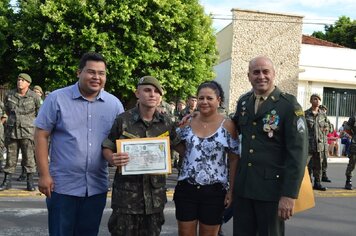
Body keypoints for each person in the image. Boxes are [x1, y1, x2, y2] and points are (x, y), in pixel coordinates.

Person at [34, 52, 124, 236]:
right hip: (62, 187)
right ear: (79, 72)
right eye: (91, 72)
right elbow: (41, 136)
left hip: (96, 187)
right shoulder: (57, 99)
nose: (96, 77)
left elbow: (121, 141)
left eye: (101, 73)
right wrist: (44, 175)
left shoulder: (114, 105)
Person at [232, 56, 308, 236]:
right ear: (248, 76)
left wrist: (289, 195)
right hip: (244, 188)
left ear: (273, 74)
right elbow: (232, 129)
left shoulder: (288, 105)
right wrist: (200, 120)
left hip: (272, 191)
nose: (261, 76)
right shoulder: (244, 102)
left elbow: (297, 153)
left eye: (265, 72)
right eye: (256, 72)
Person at [102, 76, 184, 236]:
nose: (152, 94)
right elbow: (107, 146)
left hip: (154, 200)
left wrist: (195, 123)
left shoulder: (166, 122)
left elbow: (182, 148)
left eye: (156, 91)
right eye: (147, 90)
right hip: (126, 199)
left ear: (160, 97)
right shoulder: (123, 120)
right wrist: (112, 158)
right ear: (137, 93)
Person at [173, 81, 239, 236]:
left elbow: (234, 159)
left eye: (209, 98)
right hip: (186, 188)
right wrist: (191, 156)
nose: (204, 102)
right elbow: (174, 142)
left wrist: (231, 191)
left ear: (219, 100)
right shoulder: (187, 122)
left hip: (214, 192)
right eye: (201, 98)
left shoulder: (228, 125)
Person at [0, 73, 41, 191]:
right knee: (10, 157)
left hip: (27, 131)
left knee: (29, 157)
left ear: (28, 83)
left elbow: (40, 114)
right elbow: (7, 110)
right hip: (12, 131)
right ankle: (6, 182)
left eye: (23, 80)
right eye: (18, 79)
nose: (20, 82)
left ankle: (30, 182)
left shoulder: (34, 97)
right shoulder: (9, 95)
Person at [305, 94, 330, 190]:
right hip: (308, 145)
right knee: (306, 165)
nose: (317, 101)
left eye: (319, 99)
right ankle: (307, 183)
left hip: (319, 145)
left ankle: (317, 183)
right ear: (311, 101)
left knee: (318, 165)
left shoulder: (323, 115)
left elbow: (328, 127)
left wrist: (326, 129)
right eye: (315, 99)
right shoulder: (305, 114)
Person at [319, 104, 332, 182]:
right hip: (317, 142)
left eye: (324, 110)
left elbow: (330, 129)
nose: (323, 111)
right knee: (316, 161)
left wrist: (326, 128)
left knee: (325, 160)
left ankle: (324, 175)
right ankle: (313, 176)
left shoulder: (327, 119)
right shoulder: (316, 118)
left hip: (324, 142)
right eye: (321, 109)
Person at [343, 114, 356, 190]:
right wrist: (354, 136)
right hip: (355, 144)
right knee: (352, 163)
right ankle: (348, 181)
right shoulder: (354, 118)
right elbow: (346, 128)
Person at [0, 101, 7, 173]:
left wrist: (1, 122)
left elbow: (5, 112)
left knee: (0, 144)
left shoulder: (1, 103)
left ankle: (0, 165)